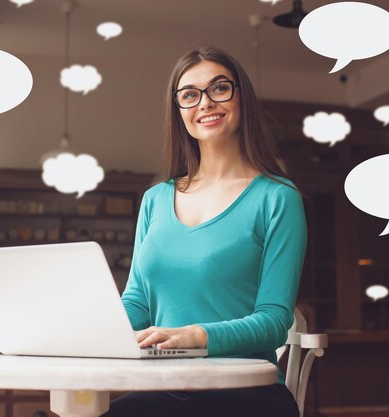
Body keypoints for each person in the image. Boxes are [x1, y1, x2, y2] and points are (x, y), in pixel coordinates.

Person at [101, 47, 307, 417]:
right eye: (189, 94)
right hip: (163, 390)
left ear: (241, 96)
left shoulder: (277, 198)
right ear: (178, 110)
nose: (205, 103)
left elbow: (275, 321)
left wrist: (197, 336)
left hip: (245, 391)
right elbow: (138, 302)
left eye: (220, 88)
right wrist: (93, 330)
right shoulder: (155, 199)